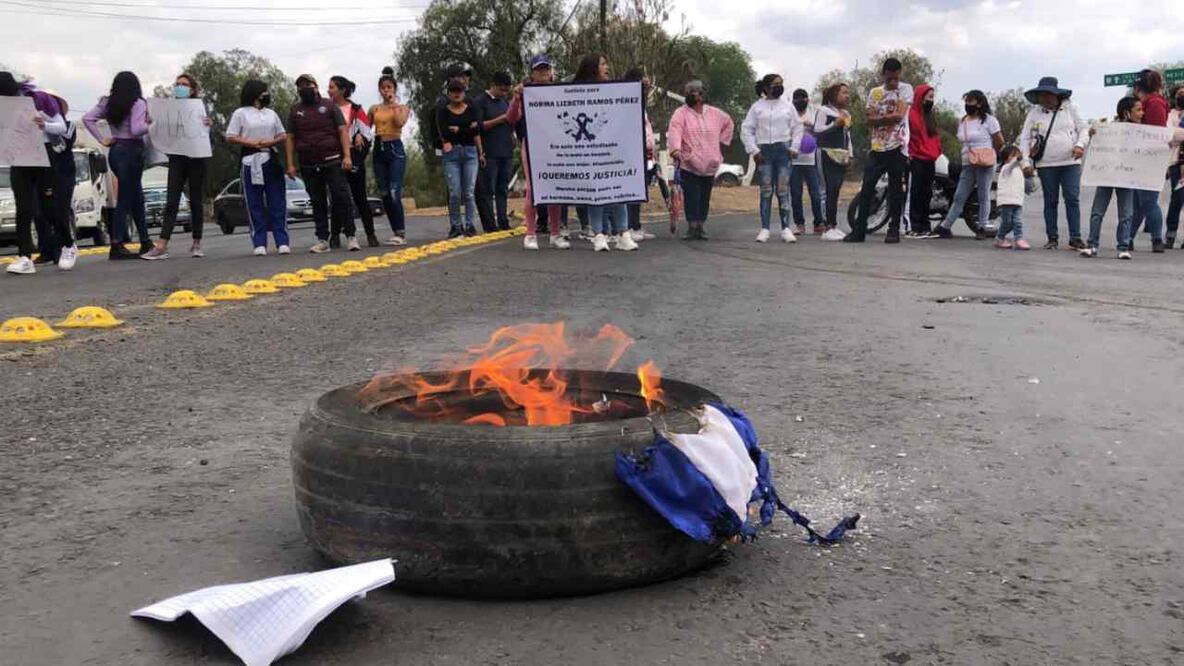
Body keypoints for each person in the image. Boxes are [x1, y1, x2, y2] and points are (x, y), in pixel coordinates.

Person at [1, 72, 79, 274]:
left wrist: (44, 124)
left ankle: (68, 245)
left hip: (43, 155)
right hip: (19, 156)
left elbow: (61, 127)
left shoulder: (40, 99)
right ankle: (25, 256)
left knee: (49, 208)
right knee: (23, 208)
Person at [571, 54, 637, 251]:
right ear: (592, 68)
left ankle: (623, 234)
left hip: (613, 150)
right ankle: (599, 234)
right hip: (590, 151)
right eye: (602, 64)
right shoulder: (576, 93)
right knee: (595, 192)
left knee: (618, 190)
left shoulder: (614, 91)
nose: (607, 67)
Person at [505, 54, 571, 251]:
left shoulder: (560, 91)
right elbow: (511, 118)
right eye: (539, 69)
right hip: (532, 145)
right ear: (532, 73)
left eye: (546, 68)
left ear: (551, 72)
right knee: (533, 189)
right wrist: (516, 99)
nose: (543, 72)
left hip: (556, 145)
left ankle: (555, 233)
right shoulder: (525, 93)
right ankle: (531, 233)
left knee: (555, 188)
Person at [83, 70, 151, 259]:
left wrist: (102, 139)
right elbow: (138, 129)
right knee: (127, 198)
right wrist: (152, 124)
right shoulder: (138, 103)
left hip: (116, 150)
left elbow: (87, 119)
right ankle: (117, 243)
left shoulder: (108, 103)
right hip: (133, 150)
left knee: (135, 196)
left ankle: (145, 240)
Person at [143, 73, 211, 260]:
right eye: (177, 84)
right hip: (177, 158)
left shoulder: (199, 108)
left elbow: (204, 131)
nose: (180, 87)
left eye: (184, 84)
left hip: (196, 158)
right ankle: (162, 244)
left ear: (192, 89)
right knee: (172, 200)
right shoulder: (168, 109)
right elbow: (160, 130)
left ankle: (197, 242)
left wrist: (208, 124)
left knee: (195, 200)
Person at [286, 74, 356, 254]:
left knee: (341, 197)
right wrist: (290, 164)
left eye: (308, 84)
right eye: (301, 86)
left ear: (316, 86)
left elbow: (342, 132)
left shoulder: (329, 106)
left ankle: (350, 236)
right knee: (317, 202)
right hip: (308, 163)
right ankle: (322, 239)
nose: (305, 88)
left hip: (332, 160)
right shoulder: (295, 110)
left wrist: (347, 156)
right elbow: (290, 138)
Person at [1019, 76, 1089, 250]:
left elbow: (1084, 129)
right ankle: (1052, 237)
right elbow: (1025, 138)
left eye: (1048, 94)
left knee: (1072, 198)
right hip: (1046, 164)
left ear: (1056, 94)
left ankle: (1075, 237)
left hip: (1070, 162)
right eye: (1041, 95)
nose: (1045, 98)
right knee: (1050, 201)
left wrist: (1080, 145)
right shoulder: (1034, 113)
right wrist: (1025, 162)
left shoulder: (1071, 108)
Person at [848, 58, 912, 244]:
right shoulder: (875, 93)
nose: (893, 82)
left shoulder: (905, 89)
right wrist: (886, 118)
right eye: (889, 78)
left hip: (897, 146)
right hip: (877, 147)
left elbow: (899, 115)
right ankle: (859, 231)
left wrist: (879, 117)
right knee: (867, 187)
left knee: (895, 189)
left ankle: (893, 230)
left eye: (896, 78)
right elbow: (868, 119)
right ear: (883, 75)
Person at [926, 90, 1004, 240]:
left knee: (983, 195)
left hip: (984, 163)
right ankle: (946, 227)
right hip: (968, 163)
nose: (968, 105)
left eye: (971, 101)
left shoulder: (989, 120)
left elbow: (999, 140)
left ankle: (982, 226)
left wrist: (990, 153)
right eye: (966, 101)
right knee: (959, 196)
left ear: (980, 103)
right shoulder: (964, 121)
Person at [226, 79, 289, 254]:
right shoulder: (241, 113)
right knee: (254, 202)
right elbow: (230, 136)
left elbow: (283, 135)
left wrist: (272, 141)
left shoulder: (271, 114)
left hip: (270, 158)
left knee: (277, 200)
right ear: (255, 93)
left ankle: (282, 241)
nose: (266, 94)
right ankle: (259, 242)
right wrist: (249, 142)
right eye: (264, 91)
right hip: (250, 160)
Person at [668, 79, 735, 241]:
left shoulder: (714, 113)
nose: (692, 95)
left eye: (695, 92)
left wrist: (723, 141)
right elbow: (674, 130)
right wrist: (676, 149)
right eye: (689, 92)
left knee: (705, 196)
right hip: (689, 163)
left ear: (702, 95)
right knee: (692, 195)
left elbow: (729, 123)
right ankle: (692, 226)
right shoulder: (681, 113)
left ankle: (701, 226)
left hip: (710, 162)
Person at [740, 74, 801, 243]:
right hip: (764, 152)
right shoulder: (757, 107)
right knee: (766, 190)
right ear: (766, 88)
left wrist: (795, 147)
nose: (779, 87)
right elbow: (746, 129)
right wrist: (753, 150)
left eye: (781, 84)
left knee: (783, 190)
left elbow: (797, 128)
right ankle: (765, 228)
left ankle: (786, 228)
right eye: (776, 84)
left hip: (783, 151)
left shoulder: (788, 106)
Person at [1081, 97, 1141, 260]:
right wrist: (1094, 134)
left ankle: (1123, 246)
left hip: (1126, 176)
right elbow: (1096, 143)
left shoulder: (1143, 133)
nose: (1141, 113)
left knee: (1126, 213)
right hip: (1106, 174)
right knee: (1097, 212)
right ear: (1126, 112)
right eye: (1138, 110)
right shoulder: (1108, 127)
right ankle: (1092, 245)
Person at [329, 75, 379, 247]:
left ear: (342, 90)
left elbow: (367, 134)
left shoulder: (356, 109)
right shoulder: (327, 109)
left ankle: (370, 234)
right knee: (337, 198)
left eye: (332, 87)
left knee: (360, 198)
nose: (329, 91)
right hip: (335, 157)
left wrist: (359, 139)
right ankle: (334, 235)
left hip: (354, 156)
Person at [369, 67, 411, 246]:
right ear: (379, 90)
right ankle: (395, 229)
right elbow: (366, 127)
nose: (386, 91)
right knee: (385, 193)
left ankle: (401, 232)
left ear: (394, 89)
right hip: (379, 148)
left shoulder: (402, 107)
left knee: (394, 191)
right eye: (383, 88)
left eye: (389, 87)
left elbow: (400, 122)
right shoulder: (375, 108)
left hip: (395, 147)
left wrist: (393, 104)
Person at [437, 77, 483, 239]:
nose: (457, 94)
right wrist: (465, 129)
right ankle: (456, 226)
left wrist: (480, 152)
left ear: (464, 92)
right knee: (455, 192)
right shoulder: (443, 111)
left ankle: (470, 225)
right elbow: (444, 132)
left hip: (470, 153)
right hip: (452, 155)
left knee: (469, 192)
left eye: (460, 91)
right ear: (448, 93)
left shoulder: (471, 109)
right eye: (453, 91)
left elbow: (477, 131)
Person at [1128, 69, 1169, 252]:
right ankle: (1127, 237)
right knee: (1139, 202)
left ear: (1138, 87)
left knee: (1147, 201)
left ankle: (1157, 239)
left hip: (1150, 158)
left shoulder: (1154, 104)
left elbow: (1155, 132)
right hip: (1145, 157)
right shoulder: (1152, 102)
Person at [474, 71, 514, 233]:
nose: (504, 93)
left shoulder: (505, 102)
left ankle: (503, 220)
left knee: (502, 188)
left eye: (506, 91)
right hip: (489, 152)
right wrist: (500, 119)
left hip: (506, 151)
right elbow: (478, 126)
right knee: (487, 189)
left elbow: (510, 122)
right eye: (501, 90)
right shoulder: (480, 102)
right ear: (493, 85)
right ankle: (490, 225)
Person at [814, 83, 852, 241]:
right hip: (826, 153)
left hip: (840, 155)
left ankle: (833, 224)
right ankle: (826, 226)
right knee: (827, 189)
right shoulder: (823, 111)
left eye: (847, 93)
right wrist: (834, 124)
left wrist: (850, 153)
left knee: (835, 190)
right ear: (833, 95)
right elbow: (817, 131)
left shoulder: (846, 113)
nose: (846, 96)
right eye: (843, 93)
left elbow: (847, 135)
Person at [624, 67, 657, 242]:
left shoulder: (642, 105)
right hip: (633, 153)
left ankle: (636, 225)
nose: (646, 83)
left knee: (640, 192)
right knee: (632, 192)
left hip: (645, 153)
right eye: (642, 81)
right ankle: (629, 226)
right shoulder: (629, 103)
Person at [907, 83, 941, 237]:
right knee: (916, 192)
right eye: (929, 97)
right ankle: (915, 226)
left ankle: (925, 225)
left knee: (927, 193)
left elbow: (935, 137)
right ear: (920, 97)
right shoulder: (910, 115)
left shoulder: (930, 116)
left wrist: (937, 151)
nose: (932, 100)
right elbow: (908, 136)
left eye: (933, 97)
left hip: (930, 158)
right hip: (916, 158)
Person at [789, 88, 823, 236]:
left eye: (803, 98)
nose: (800, 101)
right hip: (794, 161)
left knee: (815, 194)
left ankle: (818, 223)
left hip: (811, 160)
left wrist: (811, 126)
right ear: (793, 101)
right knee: (796, 194)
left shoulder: (813, 113)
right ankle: (799, 224)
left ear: (807, 100)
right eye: (797, 99)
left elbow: (820, 132)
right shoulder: (789, 115)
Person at [993, 146, 1031, 250]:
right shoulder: (1006, 168)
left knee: (1017, 221)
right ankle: (1000, 238)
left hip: (1017, 200)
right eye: (1013, 155)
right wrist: (1017, 159)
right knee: (1007, 222)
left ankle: (1019, 239)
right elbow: (1012, 165)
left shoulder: (1019, 170)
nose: (1017, 158)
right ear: (1006, 158)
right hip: (1006, 201)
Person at [1166, 85, 1184, 248]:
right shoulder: (1170, 115)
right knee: (1177, 198)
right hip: (1176, 162)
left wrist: (1178, 136)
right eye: (1180, 94)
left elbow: (1177, 136)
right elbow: (1170, 135)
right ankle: (1170, 234)